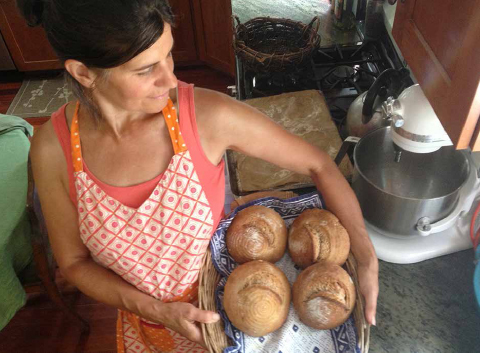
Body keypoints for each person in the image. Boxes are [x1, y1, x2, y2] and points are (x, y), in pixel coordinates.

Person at [21, 0, 379, 351]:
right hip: (146, 329)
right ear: (83, 72)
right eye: (146, 70)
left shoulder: (205, 116)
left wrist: (365, 257)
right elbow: (72, 263)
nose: (170, 78)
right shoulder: (53, 148)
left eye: (169, 55)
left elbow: (320, 164)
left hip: (235, 317)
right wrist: (157, 311)